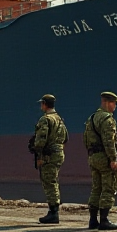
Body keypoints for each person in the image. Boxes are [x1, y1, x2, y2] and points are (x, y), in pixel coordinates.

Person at [83, 91, 117, 230]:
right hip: (105, 157)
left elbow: (85, 140)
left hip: (93, 157)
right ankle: (104, 220)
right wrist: (113, 158)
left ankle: (93, 220)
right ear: (107, 102)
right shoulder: (107, 119)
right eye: (114, 103)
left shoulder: (91, 118)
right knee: (108, 188)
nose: (115, 107)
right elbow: (109, 141)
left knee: (96, 189)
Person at [33, 94, 69, 224]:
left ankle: (53, 213)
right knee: (53, 180)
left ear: (44, 104)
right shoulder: (59, 119)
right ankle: (53, 211)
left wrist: (39, 155)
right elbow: (65, 138)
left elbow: (41, 140)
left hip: (48, 155)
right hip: (58, 153)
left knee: (49, 182)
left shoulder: (45, 119)